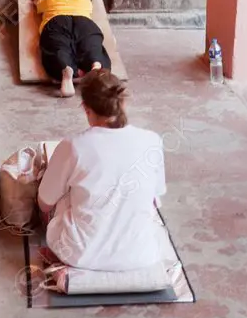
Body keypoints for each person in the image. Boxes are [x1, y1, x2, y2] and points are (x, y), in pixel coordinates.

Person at [37, 69, 167, 272]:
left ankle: (63, 265)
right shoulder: (153, 141)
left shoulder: (73, 146)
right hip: (143, 255)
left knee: (63, 193)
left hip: (80, 255)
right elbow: (156, 197)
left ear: (86, 109)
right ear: (122, 103)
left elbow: (44, 203)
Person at [30, 0, 112, 97]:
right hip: (84, 23)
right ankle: (96, 64)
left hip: (57, 21)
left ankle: (65, 68)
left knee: (59, 47)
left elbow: (37, 0)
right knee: (91, 45)